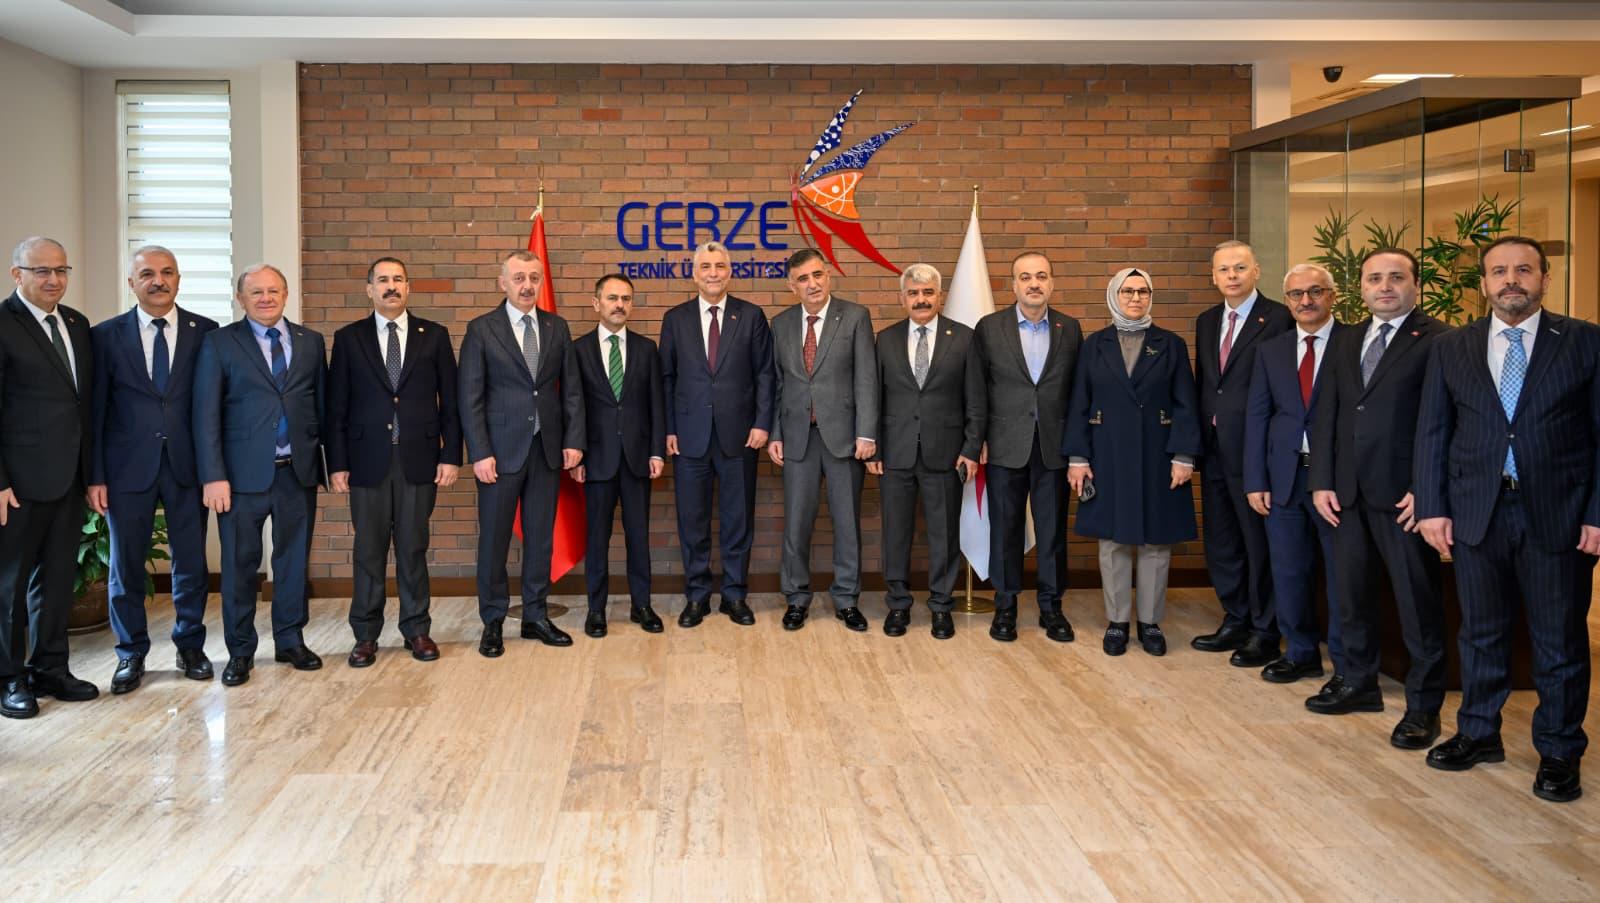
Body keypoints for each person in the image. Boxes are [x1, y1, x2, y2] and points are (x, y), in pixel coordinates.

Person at [1416, 236, 1600, 803]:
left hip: (1560, 515)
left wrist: (1597, 512)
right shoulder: (1452, 347)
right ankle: (1478, 733)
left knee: (1559, 641)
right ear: (1484, 284)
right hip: (1478, 513)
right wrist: (1432, 507)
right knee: (1480, 632)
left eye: (1523, 269)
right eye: (1499, 271)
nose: (1511, 280)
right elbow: (1433, 432)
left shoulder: (1585, 341)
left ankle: (1560, 751)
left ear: (1545, 278)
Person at [1307, 248, 1449, 753]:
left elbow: (1445, 420)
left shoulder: (1440, 340)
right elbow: (1327, 412)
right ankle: (1357, 682)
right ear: (1361, 288)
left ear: (1415, 284)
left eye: (1395, 277)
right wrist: (1322, 479)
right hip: (1346, 495)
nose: (1384, 287)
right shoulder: (1347, 339)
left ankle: (1423, 707)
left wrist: (1426, 489)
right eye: (1374, 279)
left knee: (1417, 604)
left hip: (1405, 499)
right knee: (1350, 595)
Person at [88, 245, 218, 694]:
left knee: (191, 562)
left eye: (167, 272)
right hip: (126, 469)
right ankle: (130, 653)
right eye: (147, 273)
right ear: (132, 283)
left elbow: (213, 406)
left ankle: (190, 646)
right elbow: (96, 411)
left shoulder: (206, 332)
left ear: (179, 279)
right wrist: (95, 475)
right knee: (125, 565)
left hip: (187, 466)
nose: (158, 281)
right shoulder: (105, 335)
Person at [193, 264, 327, 687]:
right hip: (239, 479)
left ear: (285, 294)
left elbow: (321, 407)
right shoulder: (219, 343)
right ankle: (240, 651)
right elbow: (205, 415)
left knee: (292, 562)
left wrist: (328, 466)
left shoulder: (310, 342)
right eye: (256, 292)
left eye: (273, 290)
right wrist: (213, 475)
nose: (266, 298)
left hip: (296, 474)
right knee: (239, 566)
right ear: (241, 298)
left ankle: (290, 640)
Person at [327, 256, 461, 667]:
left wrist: (451, 456)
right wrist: (337, 463)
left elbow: (451, 402)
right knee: (368, 551)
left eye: (398, 279)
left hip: (419, 459)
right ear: (369, 289)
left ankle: (417, 629)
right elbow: (336, 407)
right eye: (382, 280)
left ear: (408, 287)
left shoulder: (433, 335)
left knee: (412, 548)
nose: (391, 286)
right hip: (366, 462)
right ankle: (365, 635)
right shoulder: (349, 338)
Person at [1064, 268, 1198, 656]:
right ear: (1114, 295)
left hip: (1159, 455)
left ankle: (1150, 623)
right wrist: (1077, 457)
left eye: (1143, 291)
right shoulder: (1095, 344)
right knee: (1113, 540)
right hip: (1107, 454)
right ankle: (1118, 622)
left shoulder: (1170, 344)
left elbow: (1185, 404)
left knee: (1157, 540)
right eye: (1128, 291)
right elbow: (1079, 402)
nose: (1136, 298)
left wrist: (1184, 455)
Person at [458, 250, 585, 657]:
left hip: (546, 450)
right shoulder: (482, 329)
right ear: (503, 283)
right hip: (498, 454)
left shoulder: (556, 327)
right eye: (518, 278)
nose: (527, 285)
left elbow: (571, 391)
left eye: (533, 277)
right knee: (494, 541)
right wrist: (480, 451)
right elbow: (470, 397)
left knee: (540, 539)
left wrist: (573, 441)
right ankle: (493, 621)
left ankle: (535, 615)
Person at [0, 237, 97, 718]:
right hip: (16, 485)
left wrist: (92, 475)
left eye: (61, 270)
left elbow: (84, 407)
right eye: (41, 271)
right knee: (9, 585)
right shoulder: (3, 324)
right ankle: (9, 679)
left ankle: (51, 669)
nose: (53, 279)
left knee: (57, 580)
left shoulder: (76, 324)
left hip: (69, 479)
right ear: (17, 274)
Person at [1242, 263, 1351, 687]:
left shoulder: (1353, 343)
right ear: (1286, 301)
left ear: (1332, 296)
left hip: (1338, 482)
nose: (1306, 301)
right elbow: (1258, 416)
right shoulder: (1272, 351)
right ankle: (1301, 653)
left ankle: (1346, 665)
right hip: (1284, 478)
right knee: (1288, 571)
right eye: (1296, 294)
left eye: (1315, 291)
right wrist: (1256, 479)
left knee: (1342, 576)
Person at [659, 241, 776, 628]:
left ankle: (734, 595)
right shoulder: (675, 319)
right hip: (689, 437)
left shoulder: (751, 316)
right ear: (694, 274)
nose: (713, 273)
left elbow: (765, 374)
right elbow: (666, 378)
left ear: (730, 272)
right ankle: (697, 596)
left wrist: (762, 423)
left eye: (720, 266)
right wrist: (669, 428)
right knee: (692, 521)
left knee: (737, 519)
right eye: (706, 266)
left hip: (740, 437)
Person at [969, 251, 1082, 643]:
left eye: (1041, 276)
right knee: (1005, 529)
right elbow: (977, 389)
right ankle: (1006, 607)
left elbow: (1077, 393)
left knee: (1052, 532)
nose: (1034, 283)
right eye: (1026, 277)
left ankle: (1052, 608)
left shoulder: (1070, 328)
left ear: (1051, 282)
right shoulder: (989, 328)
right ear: (1013, 284)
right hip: (1004, 445)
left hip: (1054, 446)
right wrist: (977, 439)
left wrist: (1078, 448)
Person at [1191, 240, 1294, 666]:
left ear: (1256, 271)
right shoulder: (1206, 320)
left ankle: (1264, 630)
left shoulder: (1280, 318)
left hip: (1257, 452)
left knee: (1258, 544)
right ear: (1213, 276)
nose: (1231, 276)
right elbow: (1207, 385)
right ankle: (1234, 618)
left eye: (1239, 267)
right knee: (1223, 541)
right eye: (1223, 269)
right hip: (1214, 449)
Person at [767, 249, 880, 632]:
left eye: (817, 274)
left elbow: (867, 378)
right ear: (792, 286)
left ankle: (846, 599)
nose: (812, 284)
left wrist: (867, 432)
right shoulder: (781, 323)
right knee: (796, 523)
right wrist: (775, 434)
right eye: (803, 278)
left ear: (828, 274)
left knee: (846, 522)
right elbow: (778, 383)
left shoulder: (855, 316)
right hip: (798, 438)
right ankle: (796, 598)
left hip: (845, 439)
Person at [867, 264, 981, 639]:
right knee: (895, 533)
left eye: (928, 292)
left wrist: (971, 447)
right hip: (895, 453)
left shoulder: (963, 338)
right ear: (902, 298)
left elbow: (975, 399)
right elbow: (875, 397)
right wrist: (874, 448)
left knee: (944, 534)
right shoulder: (885, 339)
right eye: (914, 293)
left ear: (939, 296)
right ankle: (898, 605)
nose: (921, 299)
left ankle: (941, 606)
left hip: (945, 453)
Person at [570, 273, 665, 637]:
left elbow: (656, 404)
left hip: (638, 458)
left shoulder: (646, 348)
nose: (619, 305)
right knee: (597, 538)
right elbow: (573, 406)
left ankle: (642, 605)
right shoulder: (577, 350)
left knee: (638, 536)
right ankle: (596, 609)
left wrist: (657, 451)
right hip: (596, 460)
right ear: (597, 304)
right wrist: (577, 456)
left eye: (625, 299)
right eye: (612, 298)